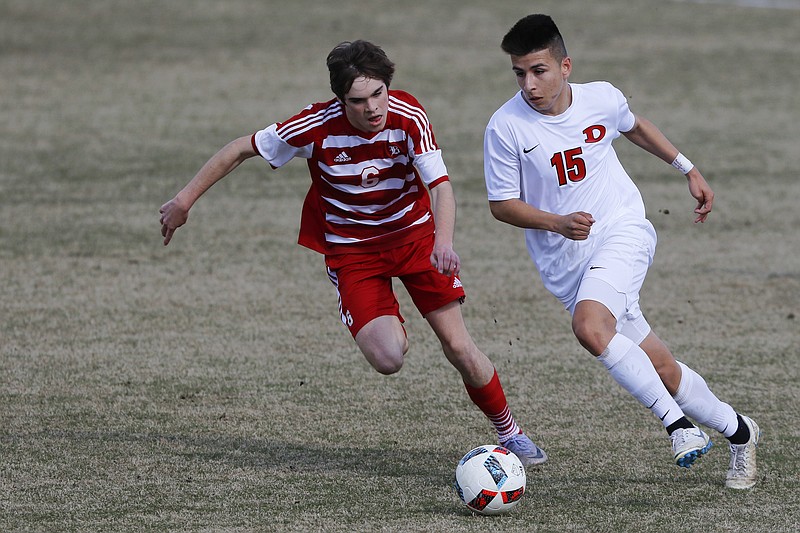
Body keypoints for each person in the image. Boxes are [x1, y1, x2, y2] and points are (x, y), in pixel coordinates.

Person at [159, 40, 546, 466]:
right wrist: (183, 201)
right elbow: (239, 149)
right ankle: (381, 312)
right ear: (340, 100)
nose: (373, 109)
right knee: (388, 358)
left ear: (388, 87)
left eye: (378, 94)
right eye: (358, 101)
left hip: (415, 241)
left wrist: (444, 242)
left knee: (458, 346)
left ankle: (511, 433)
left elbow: (442, 187)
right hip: (353, 253)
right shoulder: (314, 126)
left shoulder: (409, 116)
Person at [483, 14, 760, 488]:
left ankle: (678, 428)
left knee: (590, 328)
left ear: (565, 65)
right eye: (520, 73)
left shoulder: (601, 98)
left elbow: (633, 126)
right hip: (567, 266)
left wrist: (687, 168)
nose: (529, 84)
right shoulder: (505, 127)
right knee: (662, 368)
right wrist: (557, 223)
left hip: (622, 231)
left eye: (539, 70)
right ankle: (741, 432)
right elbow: (501, 205)